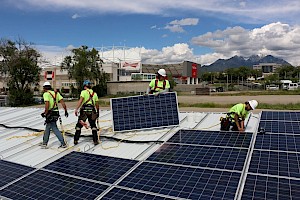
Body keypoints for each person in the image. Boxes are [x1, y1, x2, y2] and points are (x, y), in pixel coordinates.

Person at [40, 82, 69, 148]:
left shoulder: (46, 94)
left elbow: (47, 104)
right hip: (56, 113)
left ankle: (63, 143)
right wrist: (66, 111)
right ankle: (44, 143)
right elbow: (63, 103)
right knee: (48, 128)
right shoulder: (56, 93)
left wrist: (45, 112)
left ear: (45, 88)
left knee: (54, 128)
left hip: (50, 113)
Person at [74, 80, 100, 145]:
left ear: (85, 86)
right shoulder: (95, 94)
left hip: (84, 111)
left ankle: (76, 139)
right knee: (93, 125)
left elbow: (80, 101)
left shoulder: (83, 92)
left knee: (79, 125)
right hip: (92, 111)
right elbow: (97, 104)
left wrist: (76, 109)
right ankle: (95, 140)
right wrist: (97, 112)